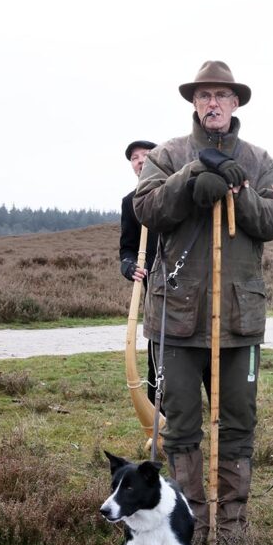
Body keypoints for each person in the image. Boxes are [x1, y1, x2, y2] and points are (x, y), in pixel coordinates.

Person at [133, 61, 273, 543]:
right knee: (180, 429)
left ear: (236, 102)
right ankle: (191, 526)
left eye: (222, 95)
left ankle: (232, 527)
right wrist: (193, 175)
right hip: (177, 319)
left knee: (239, 424)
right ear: (194, 103)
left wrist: (238, 193)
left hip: (239, 321)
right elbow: (146, 208)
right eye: (205, 96)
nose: (214, 103)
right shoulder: (167, 155)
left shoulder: (260, 161)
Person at [119, 139, 159, 402]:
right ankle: (159, 423)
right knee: (157, 356)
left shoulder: (174, 193)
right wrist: (129, 266)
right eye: (135, 157)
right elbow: (127, 249)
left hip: (190, 284)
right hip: (155, 291)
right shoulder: (129, 202)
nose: (140, 160)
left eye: (146, 155)